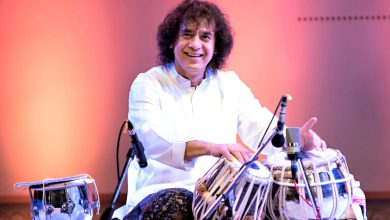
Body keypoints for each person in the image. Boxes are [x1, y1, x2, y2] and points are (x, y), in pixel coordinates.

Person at [115, 0, 327, 219]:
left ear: (216, 47)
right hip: (160, 197)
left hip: (218, 198)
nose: (195, 44)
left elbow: (263, 129)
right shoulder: (148, 84)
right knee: (180, 204)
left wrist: (296, 139)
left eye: (205, 37)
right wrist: (209, 148)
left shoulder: (229, 84)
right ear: (172, 41)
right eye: (187, 34)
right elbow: (150, 140)